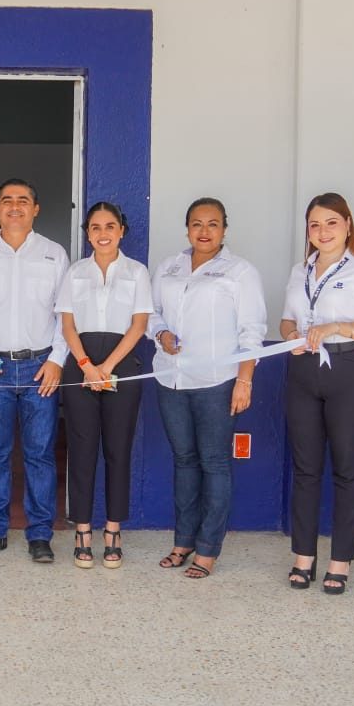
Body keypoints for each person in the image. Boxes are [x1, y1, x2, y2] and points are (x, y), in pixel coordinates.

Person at [279, 192, 354, 594]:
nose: (323, 231)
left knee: (346, 468)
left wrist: (336, 327)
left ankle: (340, 560)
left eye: (331, 222)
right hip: (303, 371)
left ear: (347, 225)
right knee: (305, 468)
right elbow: (287, 319)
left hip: (349, 370)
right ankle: (303, 557)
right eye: (315, 224)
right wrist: (290, 336)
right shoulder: (300, 270)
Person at [149, 197, 265, 580]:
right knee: (184, 460)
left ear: (224, 230)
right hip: (170, 378)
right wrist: (161, 334)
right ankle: (183, 541)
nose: (204, 231)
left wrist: (245, 380)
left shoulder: (240, 272)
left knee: (214, 462)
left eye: (213, 224)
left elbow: (252, 330)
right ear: (187, 229)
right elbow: (150, 313)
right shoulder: (169, 267)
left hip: (217, 382)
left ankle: (208, 549)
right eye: (197, 224)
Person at [0, 179, 69, 563]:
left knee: (40, 454)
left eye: (23, 200)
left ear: (35, 209)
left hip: (39, 367)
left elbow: (66, 313)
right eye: (7, 201)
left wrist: (57, 360)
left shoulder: (54, 254)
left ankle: (40, 534)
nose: (15, 206)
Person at [57, 201, 153, 570]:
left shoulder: (136, 272)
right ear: (87, 233)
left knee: (118, 449)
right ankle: (83, 530)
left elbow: (139, 325)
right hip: (80, 366)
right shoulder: (75, 272)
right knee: (81, 449)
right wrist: (86, 366)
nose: (103, 233)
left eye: (110, 226)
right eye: (95, 227)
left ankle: (113, 530)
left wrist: (107, 368)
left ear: (121, 231)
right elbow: (67, 324)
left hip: (121, 365)